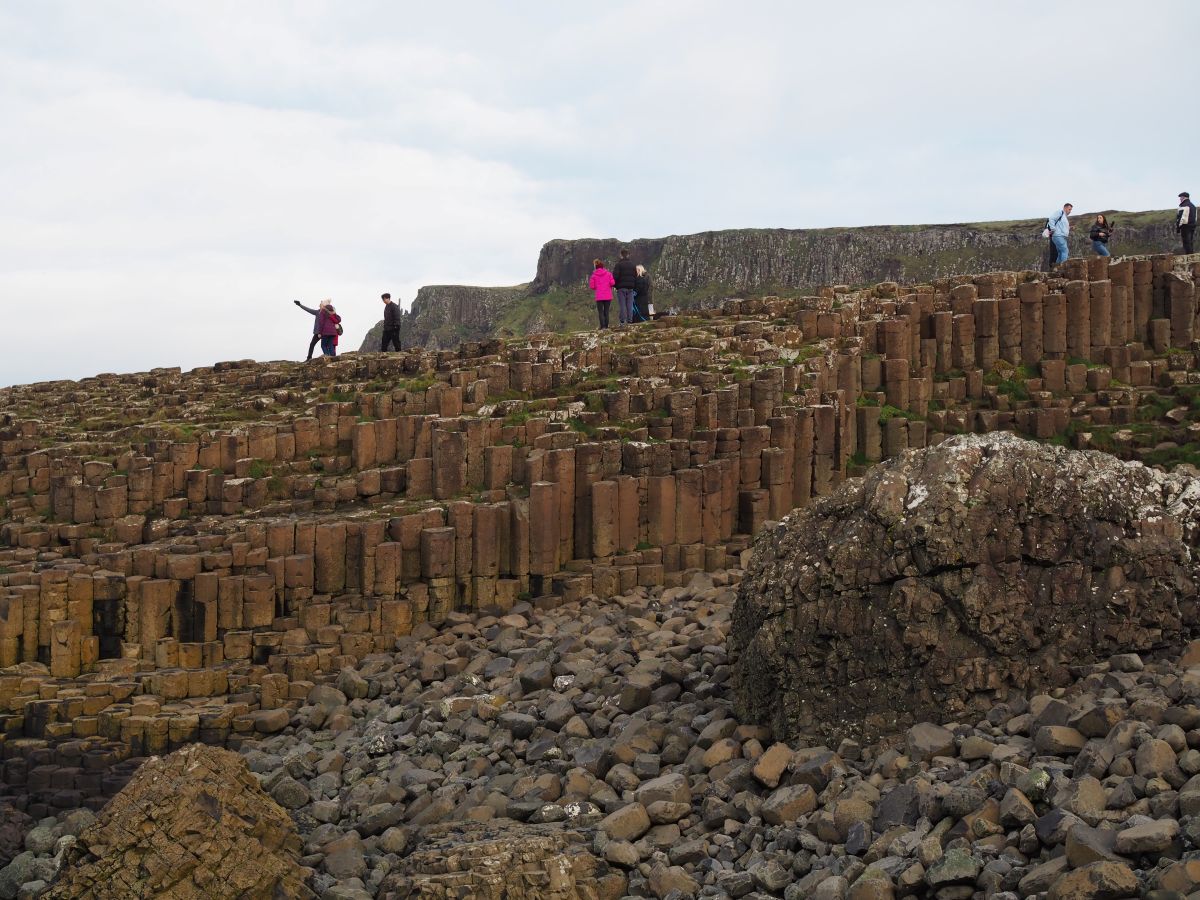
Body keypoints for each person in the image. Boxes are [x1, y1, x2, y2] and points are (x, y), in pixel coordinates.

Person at [612, 248, 637, 326]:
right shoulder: (633, 265)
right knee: (629, 305)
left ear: (621, 255)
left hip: (621, 288)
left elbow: (615, 277)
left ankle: (622, 321)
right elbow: (635, 276)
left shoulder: (618, 265)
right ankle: (630, 321)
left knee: (622, 305)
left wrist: (616, 286)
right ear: (628, 255)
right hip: (630, 288)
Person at [588, 259, 615, 330]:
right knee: (606, 311)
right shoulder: (609, 274)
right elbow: (613, 283)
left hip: (599, 296)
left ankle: (602, 326)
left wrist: (598, 287)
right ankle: (606, 326)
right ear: (602, 266)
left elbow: (592, 286)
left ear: (595, 267)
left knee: (600, 312)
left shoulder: (593, 275)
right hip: (608, 295)